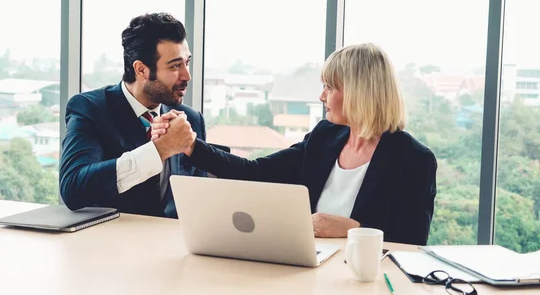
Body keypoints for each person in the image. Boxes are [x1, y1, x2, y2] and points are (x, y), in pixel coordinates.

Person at [152, 43, 437, 245]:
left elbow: (412, 243)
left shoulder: (414, 159)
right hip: (311, 267)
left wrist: (354, 229)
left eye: (329, 87)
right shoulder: (325, 137)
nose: (321, 96)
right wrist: (191, 145)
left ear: (358, 92)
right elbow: (255, 172)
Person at [59, 12, 207, 218]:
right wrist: (159, 150)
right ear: (141, 70)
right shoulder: (91, 108)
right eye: (175, 66)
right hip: (112, 244)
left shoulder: (191, 120)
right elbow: (73, 187)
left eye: (187, 62)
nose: (186, 76)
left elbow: (197, 198)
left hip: (178, 244)